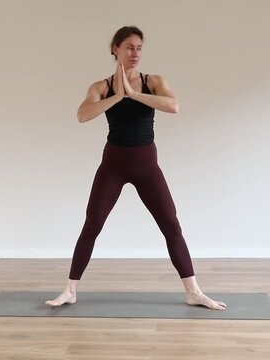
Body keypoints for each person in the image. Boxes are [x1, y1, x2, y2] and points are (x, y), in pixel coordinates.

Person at [45, 26, 226, 310]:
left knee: (171, 225)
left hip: (146, 165)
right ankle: (70, 290)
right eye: (129, 47)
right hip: (113, 165)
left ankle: (193, 291)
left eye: (139, 48)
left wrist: (133, 93)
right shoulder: (101, 87)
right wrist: (118, 96)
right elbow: (82, 115)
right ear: (115, 49)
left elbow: (173, 106)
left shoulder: (152, 81)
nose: (135, 53)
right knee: (92, 224)